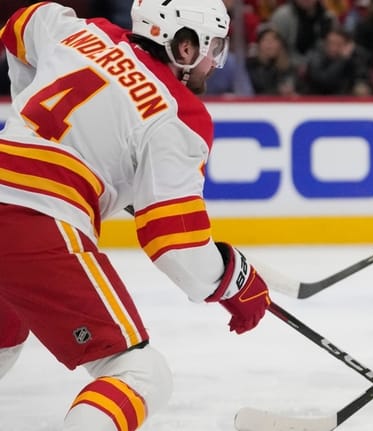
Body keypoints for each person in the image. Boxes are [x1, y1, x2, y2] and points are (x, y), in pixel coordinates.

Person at [0, 1, 282, 429]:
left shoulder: (87, 32)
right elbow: (176, 247)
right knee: (139, 374)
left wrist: (34, 121)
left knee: (5, 335)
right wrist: (234, 281)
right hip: (34, 219)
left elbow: (22, 24)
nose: (216, 62)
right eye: (214, 47)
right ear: (185, 47)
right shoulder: (178, 115)